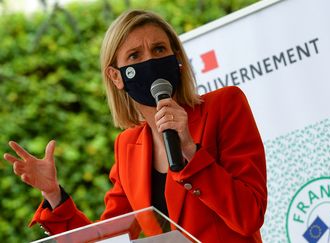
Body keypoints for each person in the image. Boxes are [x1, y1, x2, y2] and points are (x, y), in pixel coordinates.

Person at [3, 10, 267, 242]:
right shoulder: (128, 145)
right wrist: (53, 194)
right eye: (134, 55)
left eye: (159, 49)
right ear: (116, 76)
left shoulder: (224, 106)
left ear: (176, 59)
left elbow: (249, 216)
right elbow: (108, 238)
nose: (150, 61)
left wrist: (189, 149)